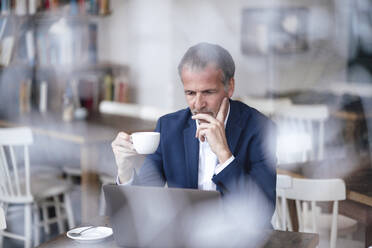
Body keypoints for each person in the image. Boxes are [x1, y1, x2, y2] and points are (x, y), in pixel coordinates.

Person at [111, 42, 277, 227]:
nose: (198, 104)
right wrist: (125, 171)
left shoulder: (260, 128)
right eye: (190, 93)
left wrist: (224, 154)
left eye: (208, 92)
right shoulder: (168, 127)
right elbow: (141, 208)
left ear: (230, 87)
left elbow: (262, 211)